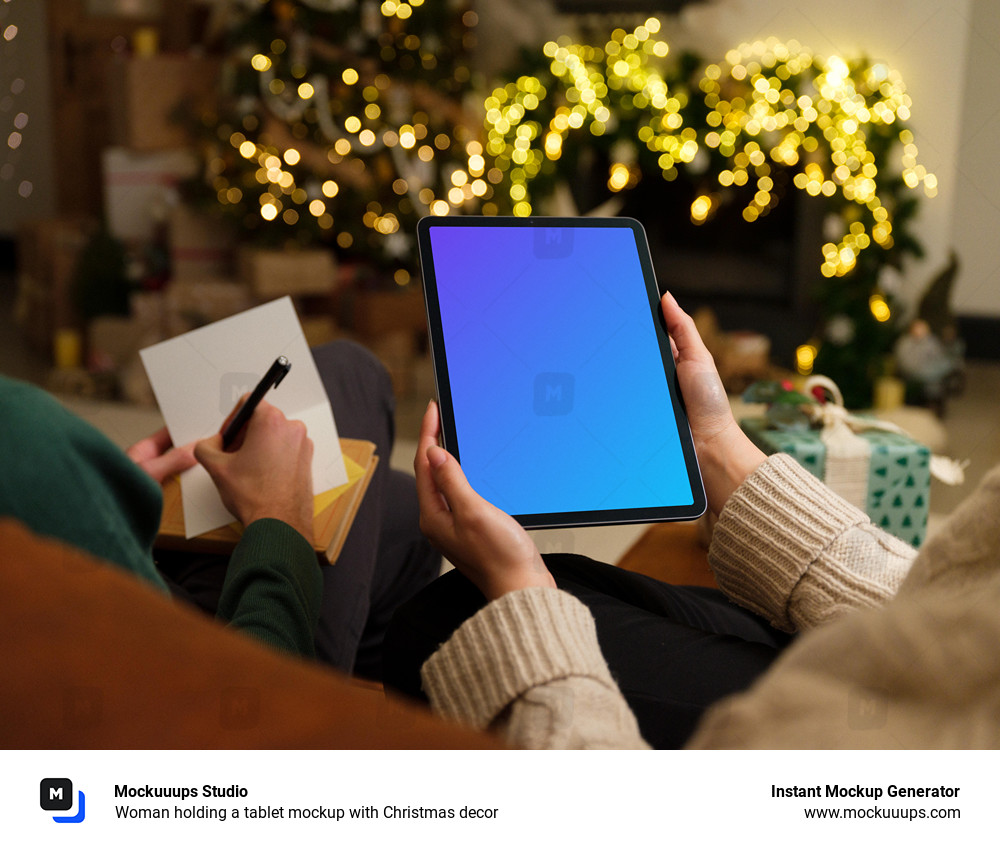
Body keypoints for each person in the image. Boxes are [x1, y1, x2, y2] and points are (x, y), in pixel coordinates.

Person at [384, 292, 1000, 749]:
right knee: (561, 575)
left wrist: (518, 588)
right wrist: (715, 446)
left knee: (457, 614)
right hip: (923, 665)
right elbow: (955, 603)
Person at [0, 340, 438, 675]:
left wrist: (107, 499)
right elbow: (247, 699)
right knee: (351, 369)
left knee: (399, 507)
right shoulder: (20, 428)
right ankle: (322, 708)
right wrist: (279, 510)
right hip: (216, 668)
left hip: (148, 585)